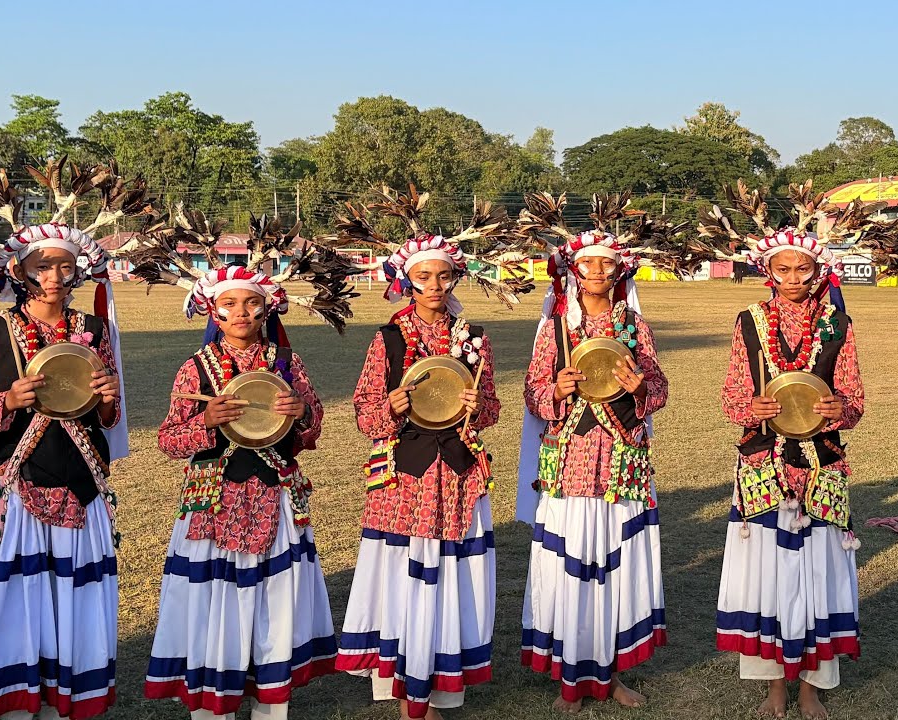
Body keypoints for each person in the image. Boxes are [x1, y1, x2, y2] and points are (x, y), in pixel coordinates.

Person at [139, 215, 353, 720]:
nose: (241, 312)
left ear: (265, 307)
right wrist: (209, 422)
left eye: (251, 303)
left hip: (276, 495)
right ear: (213, 308)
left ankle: (268, 704)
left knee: (273, 600)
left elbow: (312, 426)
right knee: (216, 601)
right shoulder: (196, 366)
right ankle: (213, 704)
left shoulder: (285, 362)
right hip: (215, 499)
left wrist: (302, 415)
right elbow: (170, 439)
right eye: (230, 304)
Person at [335, 193, 521, 720]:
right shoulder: (389, 338)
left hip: (459, 470)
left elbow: (490, 411)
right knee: (405, 574)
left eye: (444, 277)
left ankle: (443, 681)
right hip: (405, 476)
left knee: (453, 574)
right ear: (407, 280)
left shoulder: (475, 338)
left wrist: (475, 404)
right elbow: (366, 413)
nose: (435, 286)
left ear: (454, 279)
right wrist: (391, 406)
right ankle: (405, 687)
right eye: (425, 278)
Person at [0, 165, 133, 720]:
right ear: (19, 271)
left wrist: (107, 396)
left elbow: (108, 415)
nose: (55, 275)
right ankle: (18, 701)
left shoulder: (94, 331)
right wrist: (8, 403)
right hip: (14, 485)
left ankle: (69, 696)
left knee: (74, 595)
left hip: (81, 483)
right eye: (43, 265)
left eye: (66, 265)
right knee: (19, 597)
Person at [711, 184, 864, 720]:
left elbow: (855, 397)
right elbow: (732, 392)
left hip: (822, 462)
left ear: (817, 271)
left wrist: (837, 410)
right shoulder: (749, 320)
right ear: (769, 272)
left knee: (816, 576)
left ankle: (810, 686)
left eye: (803, 269)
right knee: (768, 576)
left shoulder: (839, 324)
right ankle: (775, 683)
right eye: (784, 269)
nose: (794, 278)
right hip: (762, 460)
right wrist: (748, 407)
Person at [515, 192, 670, 713]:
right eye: (588, 262)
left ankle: (613, 673)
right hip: (571, 463)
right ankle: (571, 678)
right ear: (574, 270)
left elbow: (660, 389)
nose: (598, 270)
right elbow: (533, 393)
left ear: (618, 270)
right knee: (571, 567)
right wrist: (555, 389)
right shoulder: (555, 327)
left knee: (616, 567)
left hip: (623, 461)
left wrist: (637, 386)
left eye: (607, 262)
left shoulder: (635, 326)